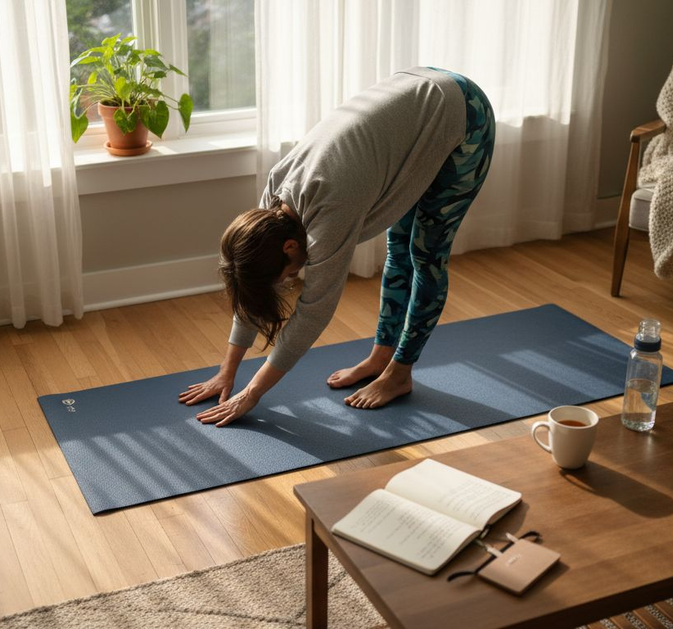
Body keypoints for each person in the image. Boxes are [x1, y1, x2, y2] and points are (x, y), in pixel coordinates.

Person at [178, 67, 495, 426]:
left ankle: (400, 373)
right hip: (415, 108)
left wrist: (250, 395)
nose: (290, 279)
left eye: (285, 274)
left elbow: (312, 314)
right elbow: (252, 284)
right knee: (398, 249)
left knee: (425, 254)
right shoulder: (271, 204)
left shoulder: (331, 214)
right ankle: (380, 359)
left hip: (461, 111)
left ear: (289, 247)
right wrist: (227, 372)